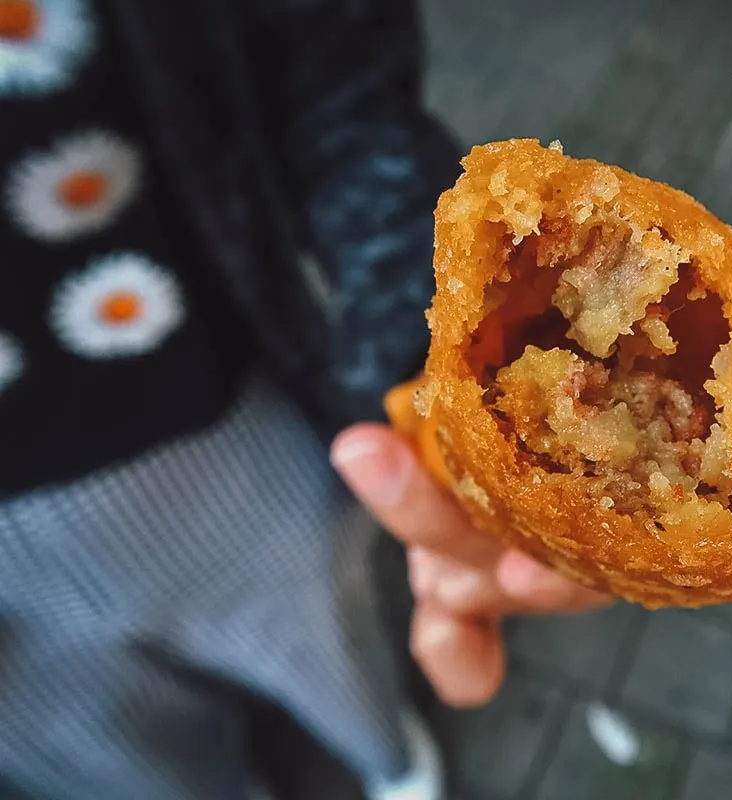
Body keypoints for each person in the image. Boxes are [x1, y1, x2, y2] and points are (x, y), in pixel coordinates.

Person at [0, 1, 608, 798]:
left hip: (223, 424)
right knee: (112, 765)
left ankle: (392, 765)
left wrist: (437, 325)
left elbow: (335, 72)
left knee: (335, 650)